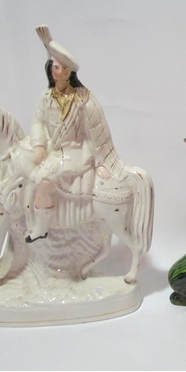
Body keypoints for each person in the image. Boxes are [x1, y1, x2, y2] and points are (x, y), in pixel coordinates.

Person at [25, 26, 127, 242]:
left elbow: (97, 130)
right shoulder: (46, 97)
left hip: (76, 153)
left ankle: (41, 229)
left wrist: (102, 162)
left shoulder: (83, 99)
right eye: (55, 67)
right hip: (54, 152)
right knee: (26, 172)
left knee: (44, 182)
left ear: (71, 72)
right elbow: (38, 122)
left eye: (63, 68)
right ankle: (30, 220)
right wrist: (39, 144)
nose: (59, 72)